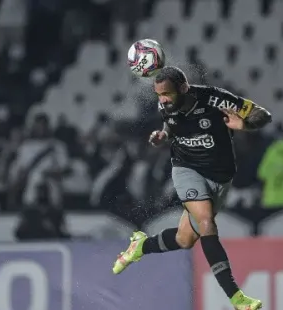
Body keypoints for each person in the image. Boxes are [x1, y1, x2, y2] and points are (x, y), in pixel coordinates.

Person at [112, 66, 272, 310]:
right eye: (159, 95)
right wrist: (163, 136)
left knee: (185, 239)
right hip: (187, 171)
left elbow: (263, 115)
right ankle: (237, 298)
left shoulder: (215, 98)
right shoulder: (165, 104)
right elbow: (172, 124)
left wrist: (244, 126)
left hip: (220, 177)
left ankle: (140, 246)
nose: (163, 100)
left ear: (184, 89)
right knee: (207, 223)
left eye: (167, 94)